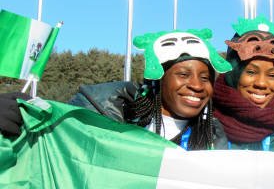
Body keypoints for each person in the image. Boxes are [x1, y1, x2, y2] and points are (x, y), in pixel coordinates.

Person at [1, 28, 232, 151]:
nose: (197, 85)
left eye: (206, 78)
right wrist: (22, 115)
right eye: (183, 74)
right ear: (157, 80)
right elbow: (52, 140)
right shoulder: (105, 110)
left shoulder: (212, 135)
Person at [212, 16, 274, 153]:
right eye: (251, 72)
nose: (261, 83)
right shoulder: (204, 126)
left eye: (271, 75)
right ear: (233, 74)